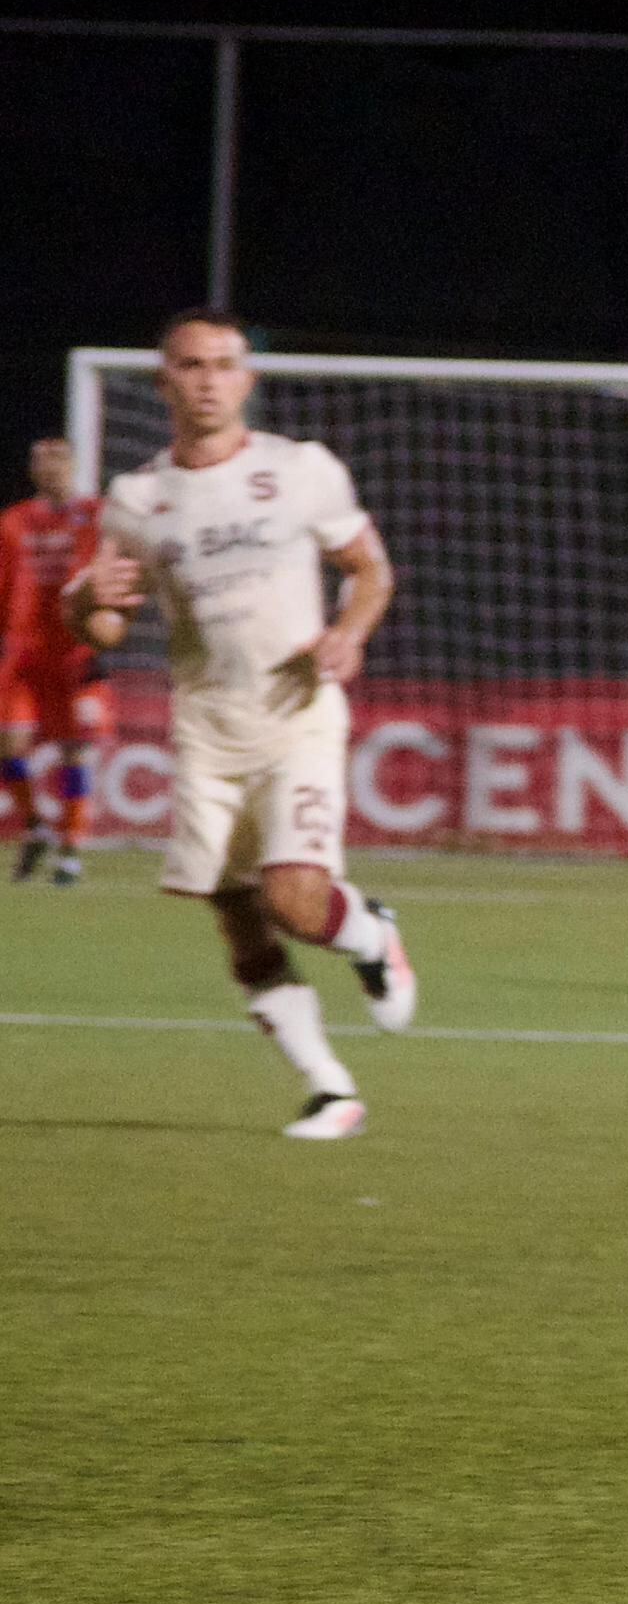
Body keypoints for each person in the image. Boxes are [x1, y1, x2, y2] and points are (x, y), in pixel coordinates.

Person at [71, 311, 420, 1136]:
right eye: (190, 366)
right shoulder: (137, 500)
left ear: (247, 380)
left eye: (223, 365)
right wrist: (88, 605)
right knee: (235, 915)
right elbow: (106, 627)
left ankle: (371, 935)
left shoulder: (301, 471)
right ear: (164, 381)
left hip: (296, 716)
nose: (207, 380)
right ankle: (331, 1088)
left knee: (295, 903)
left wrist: (349, 632)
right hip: (206, 729)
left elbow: (369, 569)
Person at [4, 435, 109, 884]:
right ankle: (33, 825)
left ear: (73, 467)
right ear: (33, 471)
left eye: (59, 463)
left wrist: (102, 637)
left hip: (75, 654)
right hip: (26, 655)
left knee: (74, 751)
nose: (51, 471)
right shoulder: (13, 522)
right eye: (43, 463)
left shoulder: (96, 517)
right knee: (9, 747)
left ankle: (70, 847)